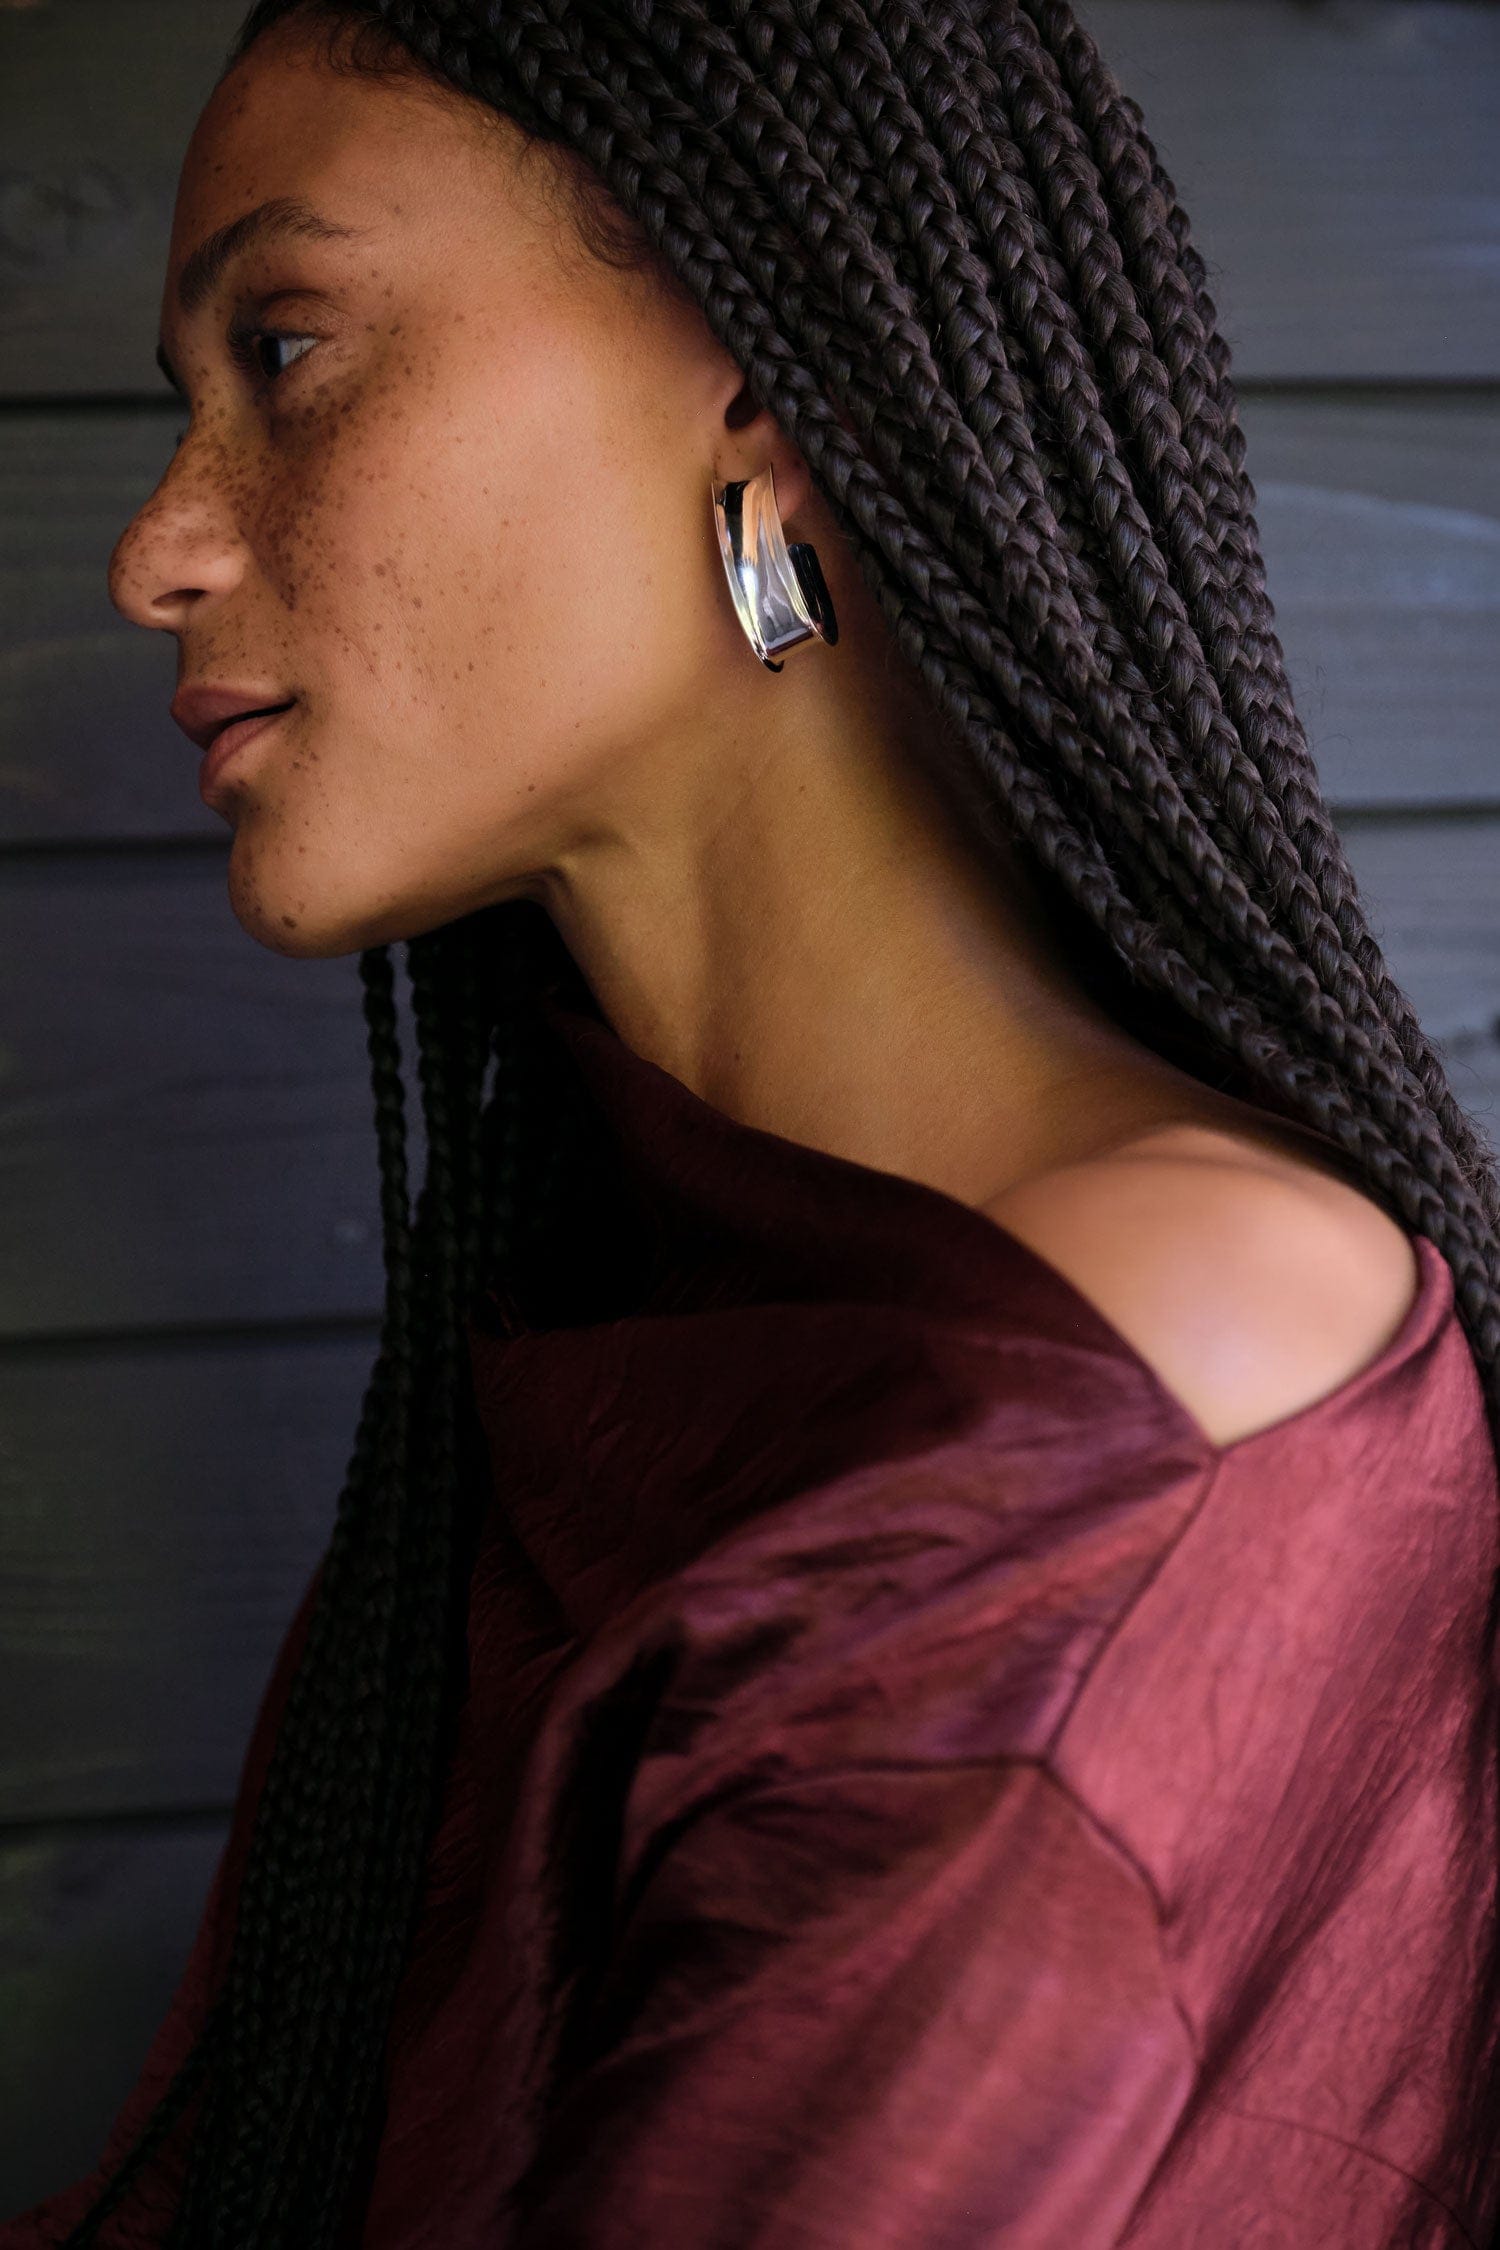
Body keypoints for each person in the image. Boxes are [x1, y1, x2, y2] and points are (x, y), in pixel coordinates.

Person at [8, 0, 1500, 2243]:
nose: (155, 551)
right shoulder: (602, 1291)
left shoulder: (1128, 1398)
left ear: (761, 387)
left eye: (292, 353)